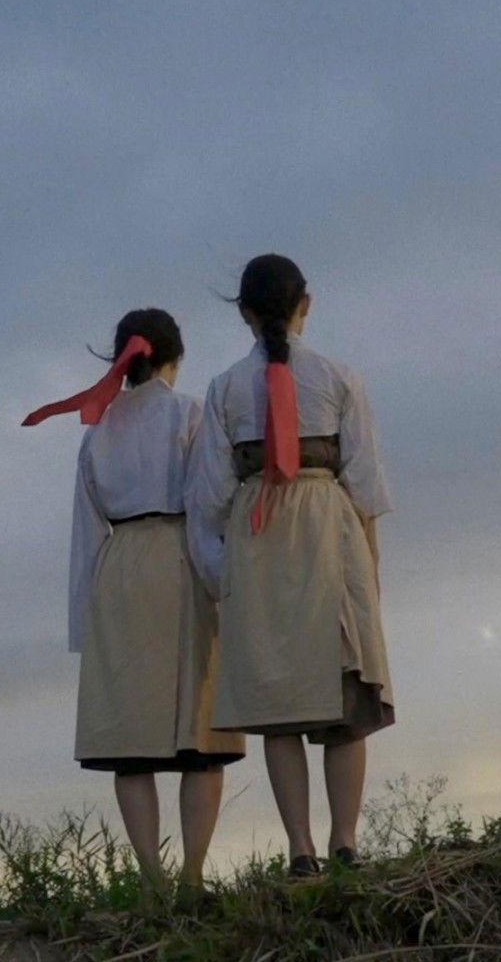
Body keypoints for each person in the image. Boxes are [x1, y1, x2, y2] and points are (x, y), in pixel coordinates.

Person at [25, 308, 247, 900]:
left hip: (119, 568)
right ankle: (192, 877)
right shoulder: (191, 413)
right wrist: (227, 582)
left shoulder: (98, 430)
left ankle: (153, 881)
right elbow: (210, 500)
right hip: (185, 559)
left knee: (130, 742)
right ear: (176, 356)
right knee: (201, 736)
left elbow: (85, 530)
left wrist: (83, 623)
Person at [186, 254, 394, 878]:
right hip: (330, 533)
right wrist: (370, 571)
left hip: (259, 540)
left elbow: (208, 497)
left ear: (244, 313)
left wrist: (224, 576)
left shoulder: (224, 388)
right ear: (307, 303)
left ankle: (300, 849)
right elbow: (365, 486)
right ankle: (345, 842)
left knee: (278, 701)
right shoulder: (340, 377)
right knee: (344, 700)